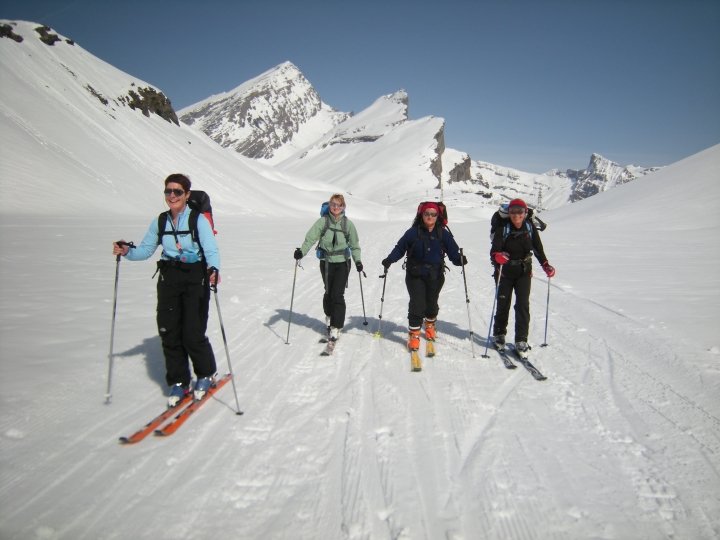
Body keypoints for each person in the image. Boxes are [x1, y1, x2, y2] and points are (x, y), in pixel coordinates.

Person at [112, 173, 220, 407]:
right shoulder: (160, 221)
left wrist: (214, 269)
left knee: (192, 332)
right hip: (169, 278)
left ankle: (205, 374)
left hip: (195, 277)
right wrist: (127, 252)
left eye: (177, 192)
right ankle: (179, 381)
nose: (172, 196)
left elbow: (211, 249)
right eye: (168, 191)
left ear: (187, 194)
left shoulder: (198, 220)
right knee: (169, 331)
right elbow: (145, 250)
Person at [381, 202, 466, 351]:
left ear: (437, 216)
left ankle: (430, 324)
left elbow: (453, 250)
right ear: (421, 214)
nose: (430, 217)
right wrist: (390, 259)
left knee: (432, 303)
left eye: (433, 214)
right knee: (417, 303)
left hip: (436, 275)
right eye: (427, 214)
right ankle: (414, 334)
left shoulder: (443, 233)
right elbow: (400, 248)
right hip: (415, 274)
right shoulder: (413, 232)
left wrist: (459, 259)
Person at [490, 198, 555, 357]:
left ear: (525, 213)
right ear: (509, 213)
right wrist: (497, 257)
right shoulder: (502, 228)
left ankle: (521, 339)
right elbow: (494, 251)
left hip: (524, 272)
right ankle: (499, 335)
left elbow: (538, 249)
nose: (516, 215)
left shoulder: (529, 227)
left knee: (522, 305)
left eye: (520, 211)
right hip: (504, 272)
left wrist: (546, 264)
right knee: (503, 303)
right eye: (513, 211)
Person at [294, 194, 362, 342]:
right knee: (328, 291)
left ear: (343, 207)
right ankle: (329, 315)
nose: (335, 207)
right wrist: (301, 252)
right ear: (329, 206)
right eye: (333, 204)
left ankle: (336, 327)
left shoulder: (348, 224)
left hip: (343, 263)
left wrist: (358, 261)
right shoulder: (322, 222)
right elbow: (310, 238)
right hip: (326, 263)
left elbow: (355, 245)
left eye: (339, 205)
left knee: (338, 294)